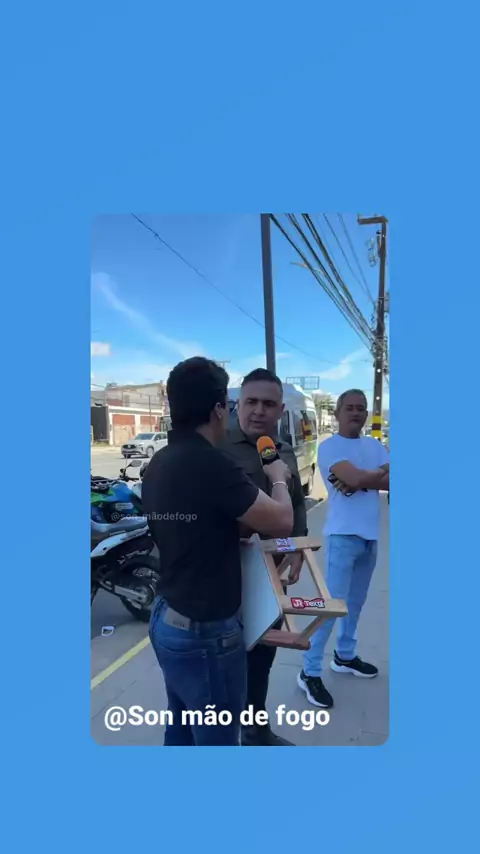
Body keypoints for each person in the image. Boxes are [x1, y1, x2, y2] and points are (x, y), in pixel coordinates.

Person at [141, 357, 294, 746]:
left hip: (168, 616)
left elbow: (191, 524)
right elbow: (281, 521)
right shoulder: (211, 464)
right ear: (219, 409)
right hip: (205, 632)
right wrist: (277, 479)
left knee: (180, 731)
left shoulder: (160, 461)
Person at [220, 368, 308, 746]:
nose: (259, 410)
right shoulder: (217, 447)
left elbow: (297, 502)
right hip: (226, 576)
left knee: (262, 658)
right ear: (237, 404)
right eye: (251, 402)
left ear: (280, 409)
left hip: (269, 575)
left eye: (268, 404)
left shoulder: (280, 450)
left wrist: (298, 546)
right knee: (227, 661)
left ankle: (256, 730)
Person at [297, 389, 389, 709]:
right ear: (337, 413)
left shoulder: (374, 446)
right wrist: (370, 476)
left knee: (355, 604)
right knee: (330, 607)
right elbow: (355, 477)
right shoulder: (330, 447)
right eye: (349, 407)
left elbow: (380, 480)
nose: (356, 412)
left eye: (361, 408)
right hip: (342, 538)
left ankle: (344, 656)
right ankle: (309, 671)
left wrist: (362, 479)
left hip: (369, 537)